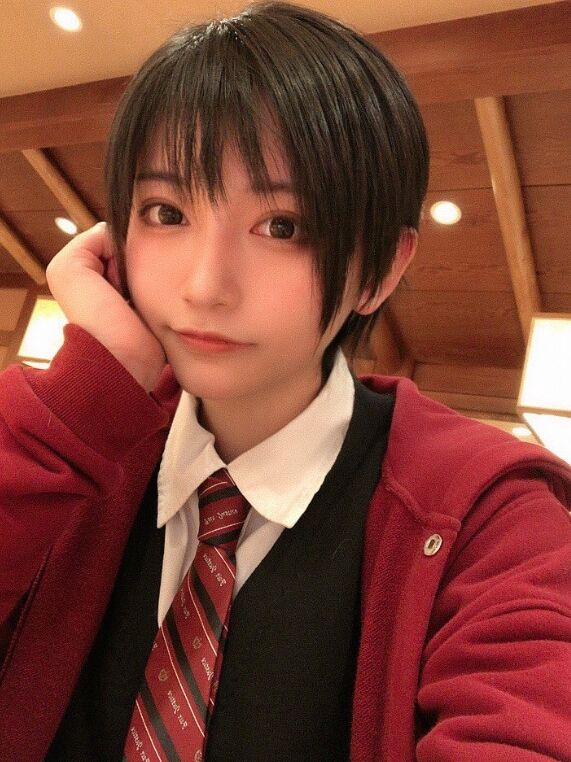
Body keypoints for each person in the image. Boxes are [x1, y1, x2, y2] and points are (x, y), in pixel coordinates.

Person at [1, 2, 570, 760]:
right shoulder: (74, 454)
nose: (205, 287)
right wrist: (81, 404)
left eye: (283, 226)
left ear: (379, 268)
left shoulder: (491, 514)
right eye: (166, 212)